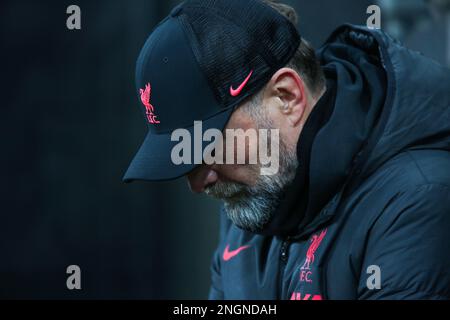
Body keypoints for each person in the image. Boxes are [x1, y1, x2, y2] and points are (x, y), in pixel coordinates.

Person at [124, 0, 450, 299]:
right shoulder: (252, 199)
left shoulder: (418, 198)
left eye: (208, 146)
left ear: (286, 97)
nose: (198, 184)